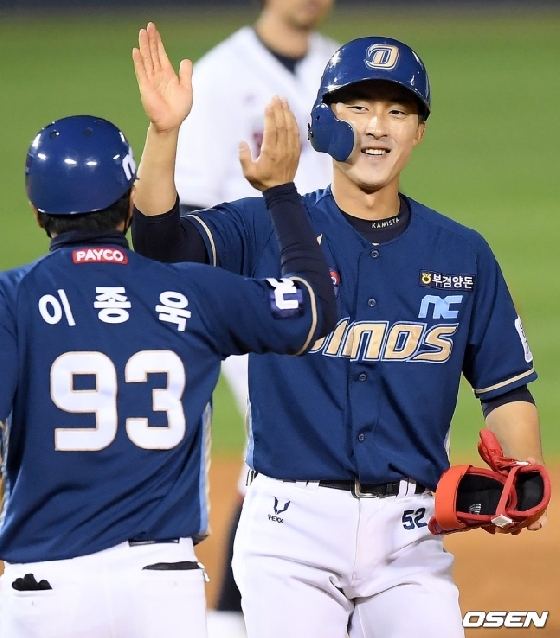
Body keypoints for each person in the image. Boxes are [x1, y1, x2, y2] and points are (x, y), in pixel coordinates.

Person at [133, 27, 546, 638]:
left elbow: (506, 388)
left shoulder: (463, 254)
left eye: (397, 111)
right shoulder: (268, 226)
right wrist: (164, 132)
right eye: (357, 107)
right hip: (288, 533)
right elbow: (160, 245)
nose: (377, 126)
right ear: (322, 123)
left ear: (419, 131)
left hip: (411, 539)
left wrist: (525, 467)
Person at [0, 26, 338, 638]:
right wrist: (282, 194)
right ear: (130, 201)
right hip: (164, 586)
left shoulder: (13, 299)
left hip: (46, 587)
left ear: (37, 211)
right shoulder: (192, 291)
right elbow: (313, 310)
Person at [173, 3, 339, 632]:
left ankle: (241, 616)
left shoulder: (339, 65)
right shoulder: (219, 76)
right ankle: (229, 618)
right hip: (258, 300)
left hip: (335, 292)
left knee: (290, 454)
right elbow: (188, 214)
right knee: (280, 446)